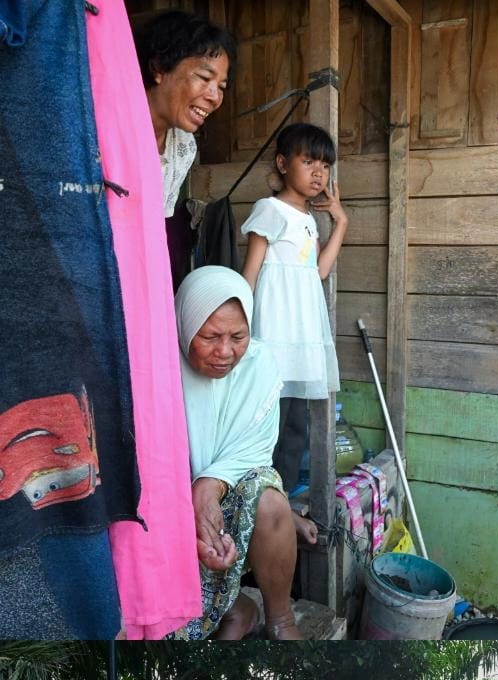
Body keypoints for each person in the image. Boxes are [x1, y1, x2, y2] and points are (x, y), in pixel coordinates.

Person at [174, 266, 303, 640]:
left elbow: (255, 447)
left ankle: (281, 620)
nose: (226, 352)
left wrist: (209, 487)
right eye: (210, 336)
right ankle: (233, 608)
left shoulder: (259, 363)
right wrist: (188, 498)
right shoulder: (159, 366)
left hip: (227, 491)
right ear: (183, 326)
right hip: (170, 499)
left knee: (270, 501)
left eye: (238, 336)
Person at [241, 122, 347, 494]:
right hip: (273, 332)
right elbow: (250, 273)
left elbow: (317, 271)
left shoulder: (308, 220)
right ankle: (258, 500)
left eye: (325, 165)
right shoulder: (268, 209)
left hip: (301, 335)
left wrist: (341, 222)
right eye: (309, 162)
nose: (319, 173)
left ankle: (280, 501)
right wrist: (243, 333)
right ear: (284, 164)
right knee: (270, 420)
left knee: (297, 426)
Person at [134, 12, 236, 219]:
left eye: (221, 86)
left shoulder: (183, 147)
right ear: (159, 68)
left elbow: (156, 223)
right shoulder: (105, 126)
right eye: (204, 77)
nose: (215, 97)